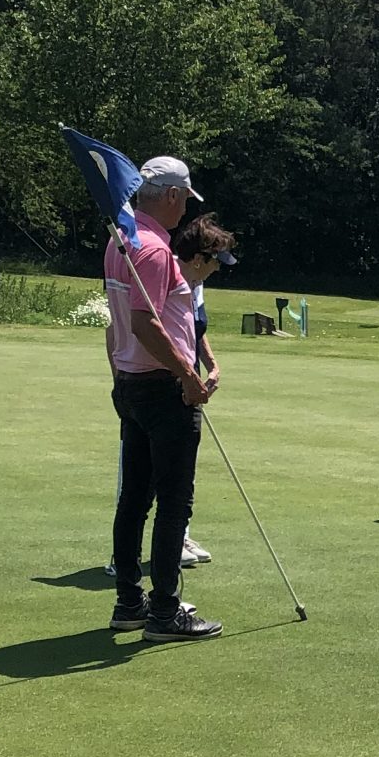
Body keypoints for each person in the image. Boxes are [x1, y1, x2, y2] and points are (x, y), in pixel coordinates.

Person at [103, 157, 222, 641]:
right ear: (172, 195)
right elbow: (144, 323)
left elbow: (121, 324)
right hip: (161, 388)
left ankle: (130, 603)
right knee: (174, 504)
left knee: (134, 499)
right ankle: (165, 612)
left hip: (132, 384)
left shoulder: (122, 240)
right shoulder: (151, 248)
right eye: (185, 200)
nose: (185, 210)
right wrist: (187, 376)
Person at [173, 215, 237, 565]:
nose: (219, 268)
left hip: (190, 381)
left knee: (184, 466)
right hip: (166, 382)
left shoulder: (196, 284)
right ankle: (128, 553)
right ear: (199, 258)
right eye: (217, 261)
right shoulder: (167, 277)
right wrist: (186, 375)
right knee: (155, 471)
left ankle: (180, 536)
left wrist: (211, 365)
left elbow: (196, 330)